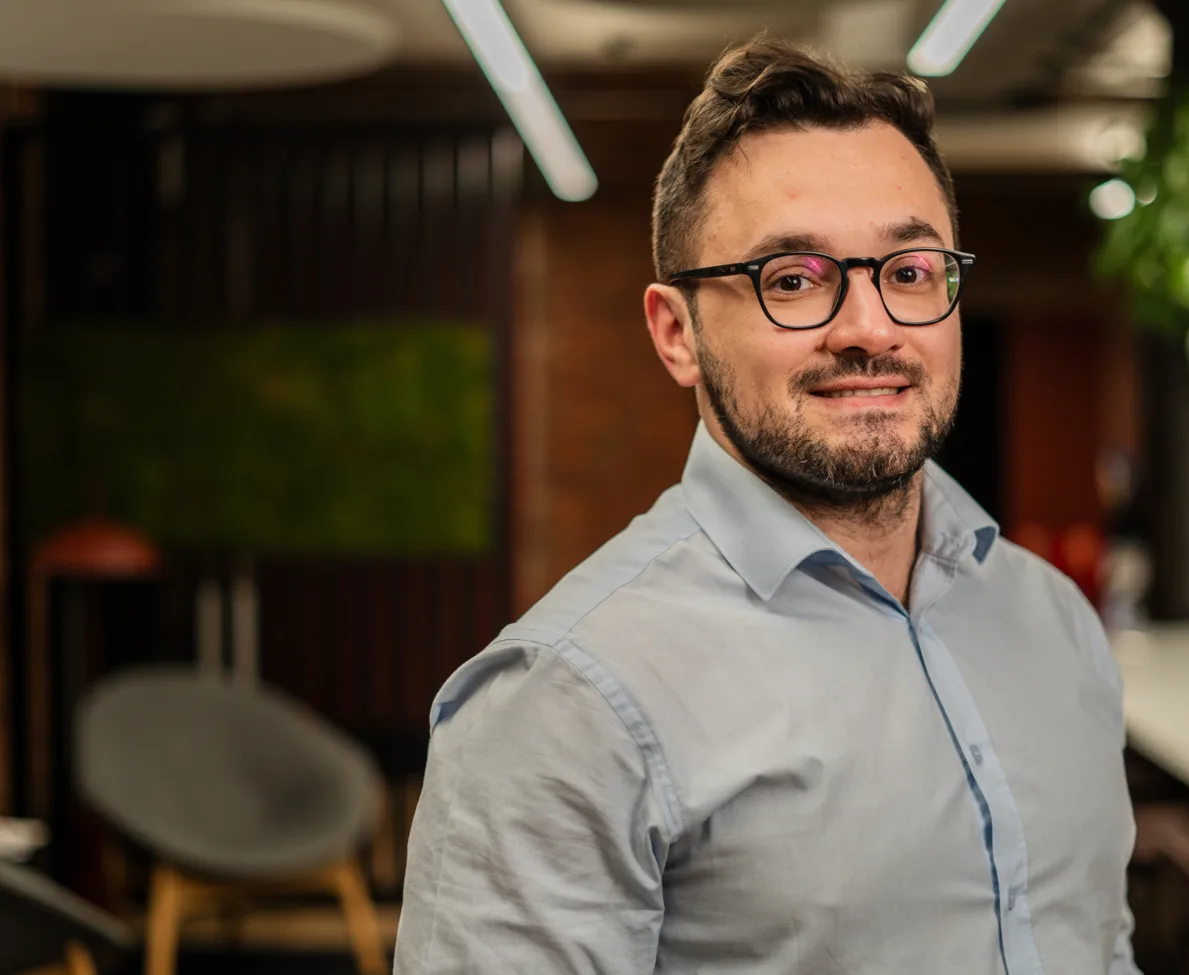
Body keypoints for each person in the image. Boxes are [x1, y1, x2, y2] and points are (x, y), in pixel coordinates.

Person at [395, 37, 1139, 975]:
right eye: (793, 280)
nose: (869, 328)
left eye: (909, 272)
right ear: (677, 334)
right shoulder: (563, 702)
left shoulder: (1054, 622)